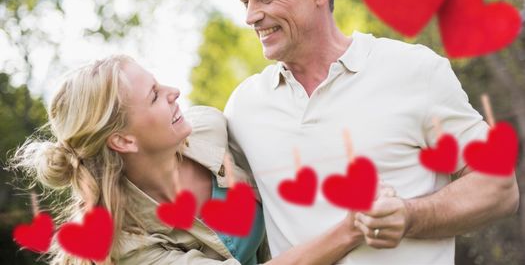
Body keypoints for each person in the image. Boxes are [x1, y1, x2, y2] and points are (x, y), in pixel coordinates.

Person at [224, 0, 520, 264]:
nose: (251, 16)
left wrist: (410, 216)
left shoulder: (413, 71)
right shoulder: (243, 108)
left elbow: (498, 186)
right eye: (245, 0)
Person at [11, 55, 379, 265]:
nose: (175, 93)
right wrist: (352, 228)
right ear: (122, 139)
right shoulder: (125, 245)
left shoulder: (207, 127)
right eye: (155, 95)